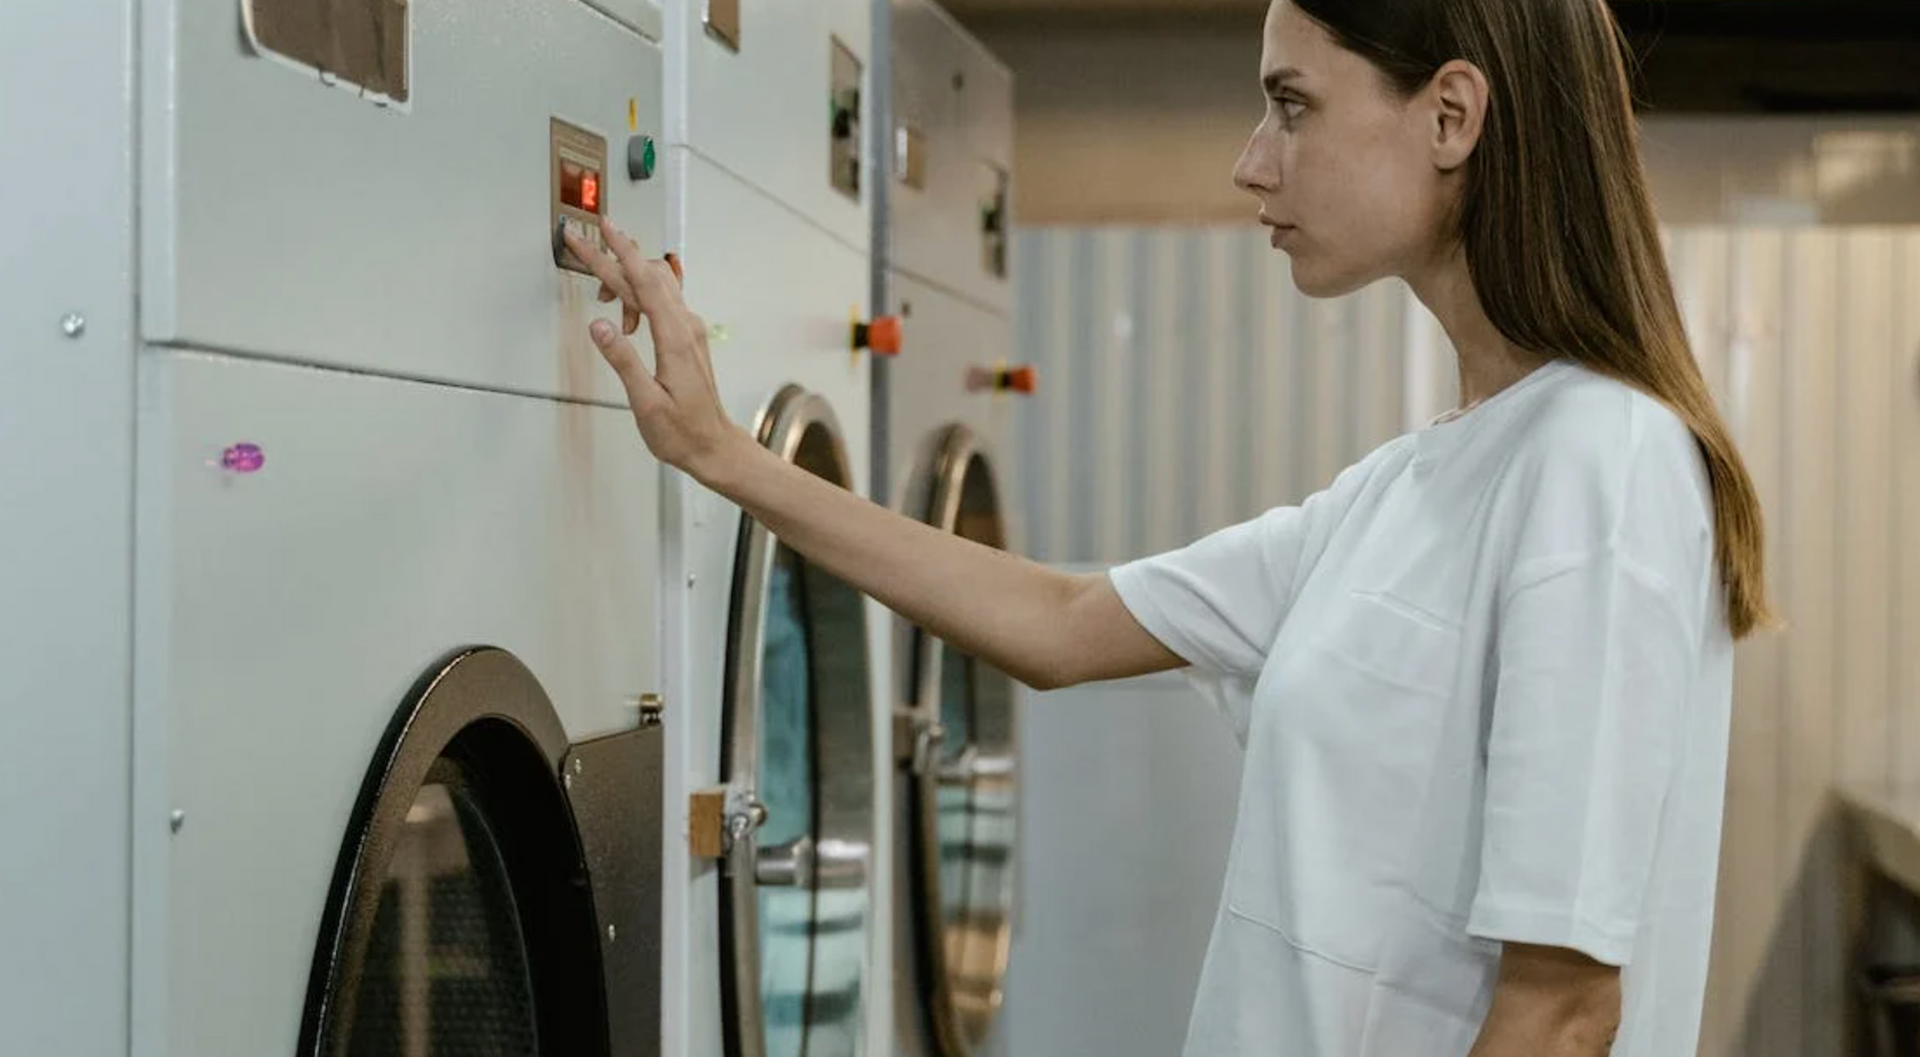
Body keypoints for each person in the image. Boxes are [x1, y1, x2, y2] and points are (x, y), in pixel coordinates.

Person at [562, 0, 1770, 1052]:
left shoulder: (1599, 459)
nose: (1253, 161)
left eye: (1290, 106)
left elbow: (1562, 1009)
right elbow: (1062, 620)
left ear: (1452, 116)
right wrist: (721, 455)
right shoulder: (1412, 486)